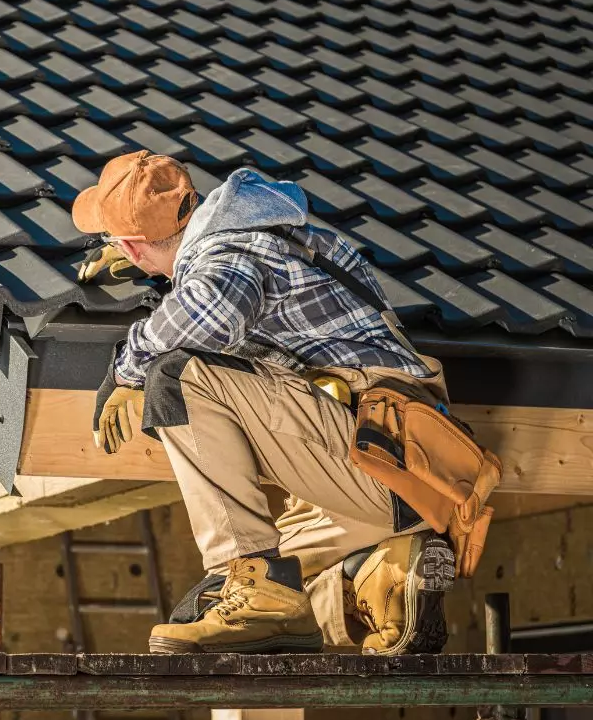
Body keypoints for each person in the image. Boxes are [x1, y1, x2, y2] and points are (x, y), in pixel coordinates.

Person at [72, 151, 461, 655]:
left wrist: (128, 369)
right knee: (226, 602)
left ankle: (256, 592)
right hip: (399, 479)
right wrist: (165, 270)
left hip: (377, 458)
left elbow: (214, 310)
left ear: (129, 245)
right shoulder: (267, 237)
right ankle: (380, 577)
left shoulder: (230, 251)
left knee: (176, 376)